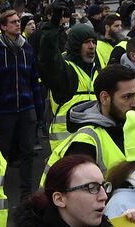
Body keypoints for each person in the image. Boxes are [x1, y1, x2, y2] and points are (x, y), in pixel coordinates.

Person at [0, 9, 42, 200]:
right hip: (4, 110)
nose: (18, 24)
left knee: (28, 152)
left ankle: (26, 193)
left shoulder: (27, 49)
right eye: (13, 22)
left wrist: (38, 109)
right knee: (3, 153)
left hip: (27, 108)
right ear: (3, 26)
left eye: (19, 21)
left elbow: (34, 80)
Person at [44, 64, 135, 178]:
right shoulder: (85, 143)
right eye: (127, 97)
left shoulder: (127, 127)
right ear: (104, 98)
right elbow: (79, 193)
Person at [37, 11, 99, 146]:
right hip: (65, 145)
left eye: (94, 42)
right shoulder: (65, 71)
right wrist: (53, 23)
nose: (91, 46)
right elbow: (48, 57)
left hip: (91, 143)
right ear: (76, 45)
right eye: (86, 42)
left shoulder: (97, 71)